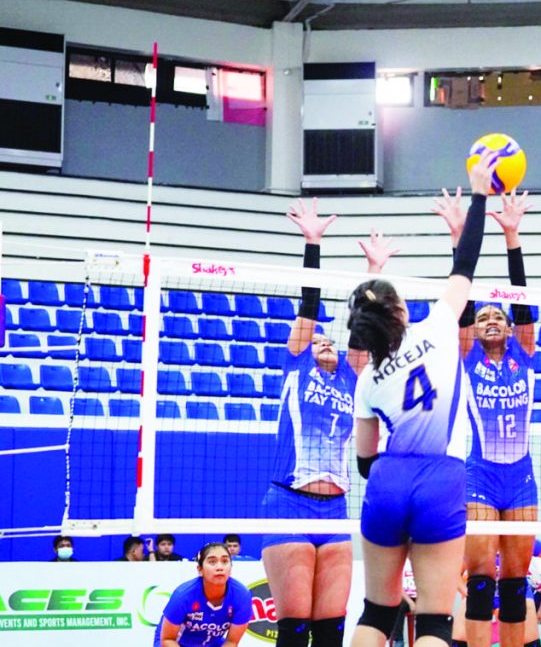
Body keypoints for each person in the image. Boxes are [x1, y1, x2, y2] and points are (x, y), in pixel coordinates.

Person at [348, 150, 496, 647]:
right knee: (434, 619)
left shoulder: (367, 378)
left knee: (376, 610)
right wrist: (478, 192)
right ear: (402, 309)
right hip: (442, 476)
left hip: (389, 478)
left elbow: (365, 460)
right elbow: (467, 264)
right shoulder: (437, 325)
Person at [259, 199, 394, 647]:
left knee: (331, 631)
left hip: (335, 510)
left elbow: (365, 325)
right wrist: (313, 244)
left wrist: (373, 270)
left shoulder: (352, 379)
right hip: (289, 505)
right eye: (315, 339)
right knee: (295, 631)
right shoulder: (295, 367)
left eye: (328, 339)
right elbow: (310, 305)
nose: (323, 341)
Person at [433, 185, 539, 647]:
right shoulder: (467, 356)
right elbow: (463, 302)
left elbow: (521, 300)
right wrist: (460, 240)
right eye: (485, 316)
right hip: (478, 475)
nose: (492, 319)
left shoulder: (526, 350)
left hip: (521, 477)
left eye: (500, 316)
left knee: (516, 583)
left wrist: (512, 237)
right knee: (480, 580)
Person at [154, 542, 253, 647]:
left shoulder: (242, 596)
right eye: (212, 562)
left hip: (211, 643)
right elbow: (167, 639)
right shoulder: (183, 596)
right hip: (175, 642)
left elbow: (232, 642)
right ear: (200, 570)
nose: (220, 567)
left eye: (225, 561)